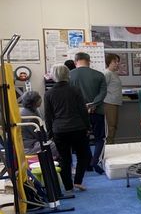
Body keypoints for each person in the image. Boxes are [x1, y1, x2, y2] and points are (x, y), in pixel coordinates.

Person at [44, 64, 91, 194]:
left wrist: (50, 133)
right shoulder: (75, 90)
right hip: (78, 128)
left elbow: (48, 116)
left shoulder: (49, 93)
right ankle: (78, 181)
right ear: (67, 74)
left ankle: (68, 187)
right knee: (83, 156)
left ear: (53, 76)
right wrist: (88, 127)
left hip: (59, 130)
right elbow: (82, 110)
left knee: (64, 159)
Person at [69, 52, 107, 174]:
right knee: (99, 138)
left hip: (78, 114)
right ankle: (95, 162)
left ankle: (87, 164)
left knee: (82, 139)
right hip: (97, 111)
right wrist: (93, 104)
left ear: (75, 62)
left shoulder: (69, 75)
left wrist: (82, 107)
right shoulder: (99, 75)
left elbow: (68, 95)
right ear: (89, 61)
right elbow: (103, 93)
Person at [19, 90, 58, 158]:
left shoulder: (30, 111)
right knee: (55, 146)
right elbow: (39, 134)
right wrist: (49, 138)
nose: (41, 99)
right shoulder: (30, 116)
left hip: (30, 141)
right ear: (34, 102)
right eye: (38, 98)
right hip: (30, 145)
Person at [103, 53, 123, 145]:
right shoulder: (107, 73)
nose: (117, 63)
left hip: (114, 103)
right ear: (109, 63)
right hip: (109, 103)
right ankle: (109, 144)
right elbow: (102, 89)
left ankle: (111, 143)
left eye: (118, 61)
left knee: (113, 125)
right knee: (111, 126)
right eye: (115, 62)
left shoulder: (114, 73)